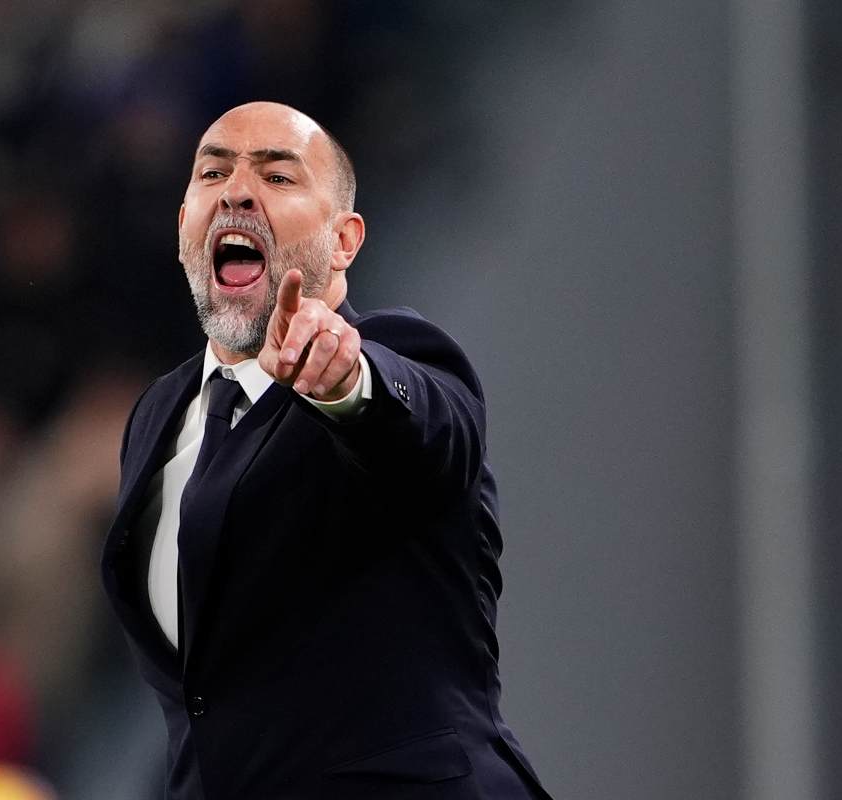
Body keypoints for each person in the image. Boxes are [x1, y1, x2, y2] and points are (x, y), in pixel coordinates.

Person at [101, 101, 552, 800]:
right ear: (184, 224)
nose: (237, 191)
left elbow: (428, 433)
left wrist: (347, 384)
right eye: (212, 173)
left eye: (278, 176)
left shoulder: (398, 357)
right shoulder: (158, 415)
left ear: (344, 241)